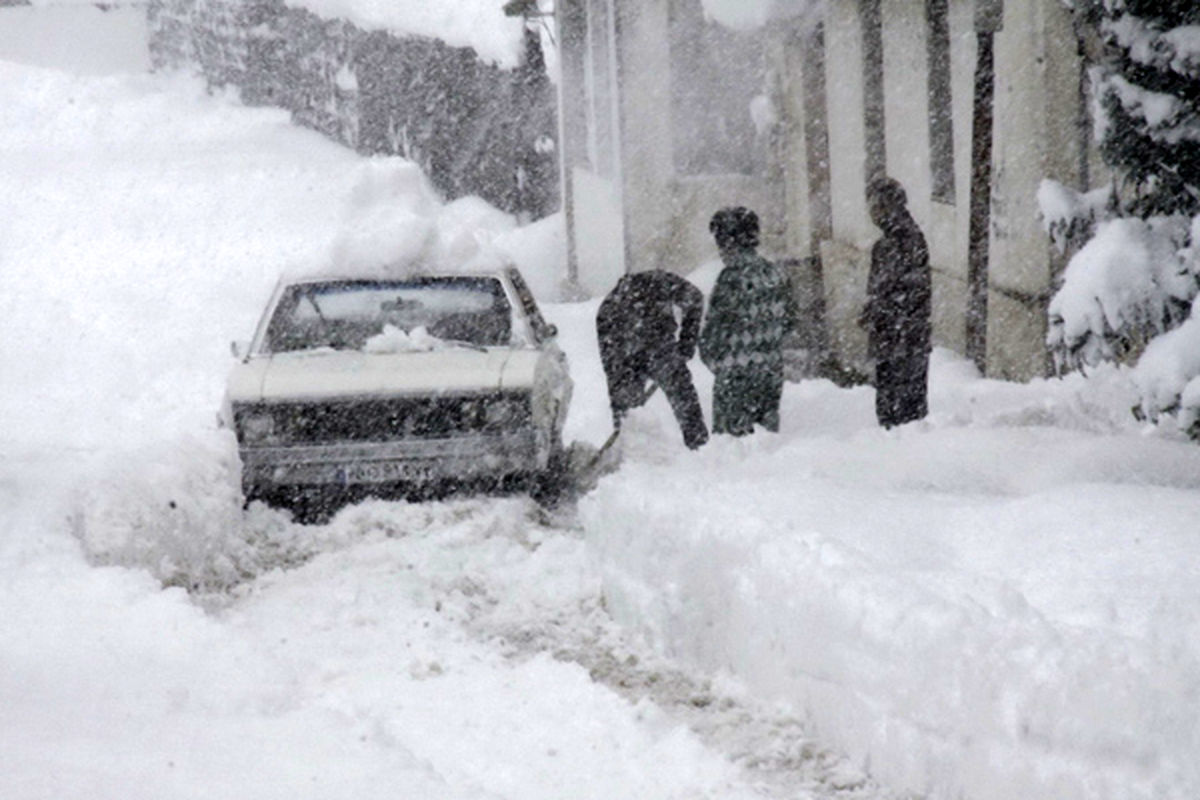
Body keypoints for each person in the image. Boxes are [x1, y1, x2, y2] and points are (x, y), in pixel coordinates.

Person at [699, 207, 798, 436]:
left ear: (727, 241)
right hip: (770, 375)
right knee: (765, 447)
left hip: (734, 381)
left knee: (734, 453)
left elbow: (712, 331)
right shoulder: (776, 274)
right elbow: (790, 321)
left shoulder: (730, 278)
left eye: (719, 240)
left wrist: (716, 360)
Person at [596, 269, 709, 450]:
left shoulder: (608, 307)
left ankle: (630, 450)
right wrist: (688, 340)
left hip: (636, 352)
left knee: (628, 416)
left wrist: (687, 341)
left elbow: (609, 362)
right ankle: (699, 445)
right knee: (683, 400)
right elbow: (694, 298)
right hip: (652, 349)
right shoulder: (660, 282)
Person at [860, 176, 932, 428]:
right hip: (902, 339)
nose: (872, 213)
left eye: (876, 206)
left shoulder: (898, 242)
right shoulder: (901, 238)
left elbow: (904, 291)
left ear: (890, 205)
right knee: (905, 413)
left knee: (898, 416)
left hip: (900, 340)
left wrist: (879, 311)